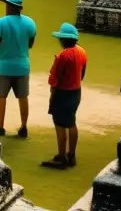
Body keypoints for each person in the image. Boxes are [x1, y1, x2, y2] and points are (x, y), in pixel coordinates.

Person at [0, 0, 37, 138]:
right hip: (22, 66)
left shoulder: (0, 23)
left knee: (0, 96)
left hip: (3, 67)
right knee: (23, 97)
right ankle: (23, 127)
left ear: (8, 6)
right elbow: (30, 44)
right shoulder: (30, 23)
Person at [41, 23, 88, 170]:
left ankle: (61, 157)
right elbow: (83, 74)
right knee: (71, 122)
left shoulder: (62, 56)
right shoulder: (82, 51)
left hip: (62, 93)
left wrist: (52, 97)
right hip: (76, 92)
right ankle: (71, 154)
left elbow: (54, 79)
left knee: (60, 125)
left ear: (62, 40)